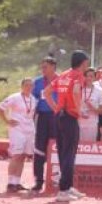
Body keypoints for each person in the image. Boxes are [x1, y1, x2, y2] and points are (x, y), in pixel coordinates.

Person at [44, 50, 91, 202]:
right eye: (87, 62)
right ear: (83, 63)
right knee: (69, 154)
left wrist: (56, 108)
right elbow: (76, 92)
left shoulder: (63, 74)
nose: (87, 65)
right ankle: (63, 191)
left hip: (59, 117)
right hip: (70, 118)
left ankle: (68, 187)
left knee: (64, 153)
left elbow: (47, 92)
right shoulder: (78, 76)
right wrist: (80, 110)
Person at [0, 78, 36, 192]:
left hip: (29, 130)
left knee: (23, 156)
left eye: (31, 85)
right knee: (16, 155)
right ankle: (10, 183)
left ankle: (17, 182)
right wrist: (7, 121)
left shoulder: (34, 99)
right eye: (26, 85)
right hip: (17, 129)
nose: (28, 87)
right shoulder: (15, 97)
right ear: (22, 86)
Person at [30, 57, 59, 192]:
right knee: (39, 149)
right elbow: (32, 101)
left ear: (53, 67)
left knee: (56, 149)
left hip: (57, 118)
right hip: (42, 117)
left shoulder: (61, 80)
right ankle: (38, 180)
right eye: (42, 67)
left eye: (45, 67)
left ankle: (56, 180)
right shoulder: (37, 82)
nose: (43, 70)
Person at [78, 67, 101, 142]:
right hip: (79, 123)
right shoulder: (79, 89)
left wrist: (92, 108)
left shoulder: (99, 91)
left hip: (92, 124)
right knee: (78, 146)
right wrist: (80, 113)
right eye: (87, 76)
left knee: (90, 146)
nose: (88, 78)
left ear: (94, 77)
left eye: (91, 76)